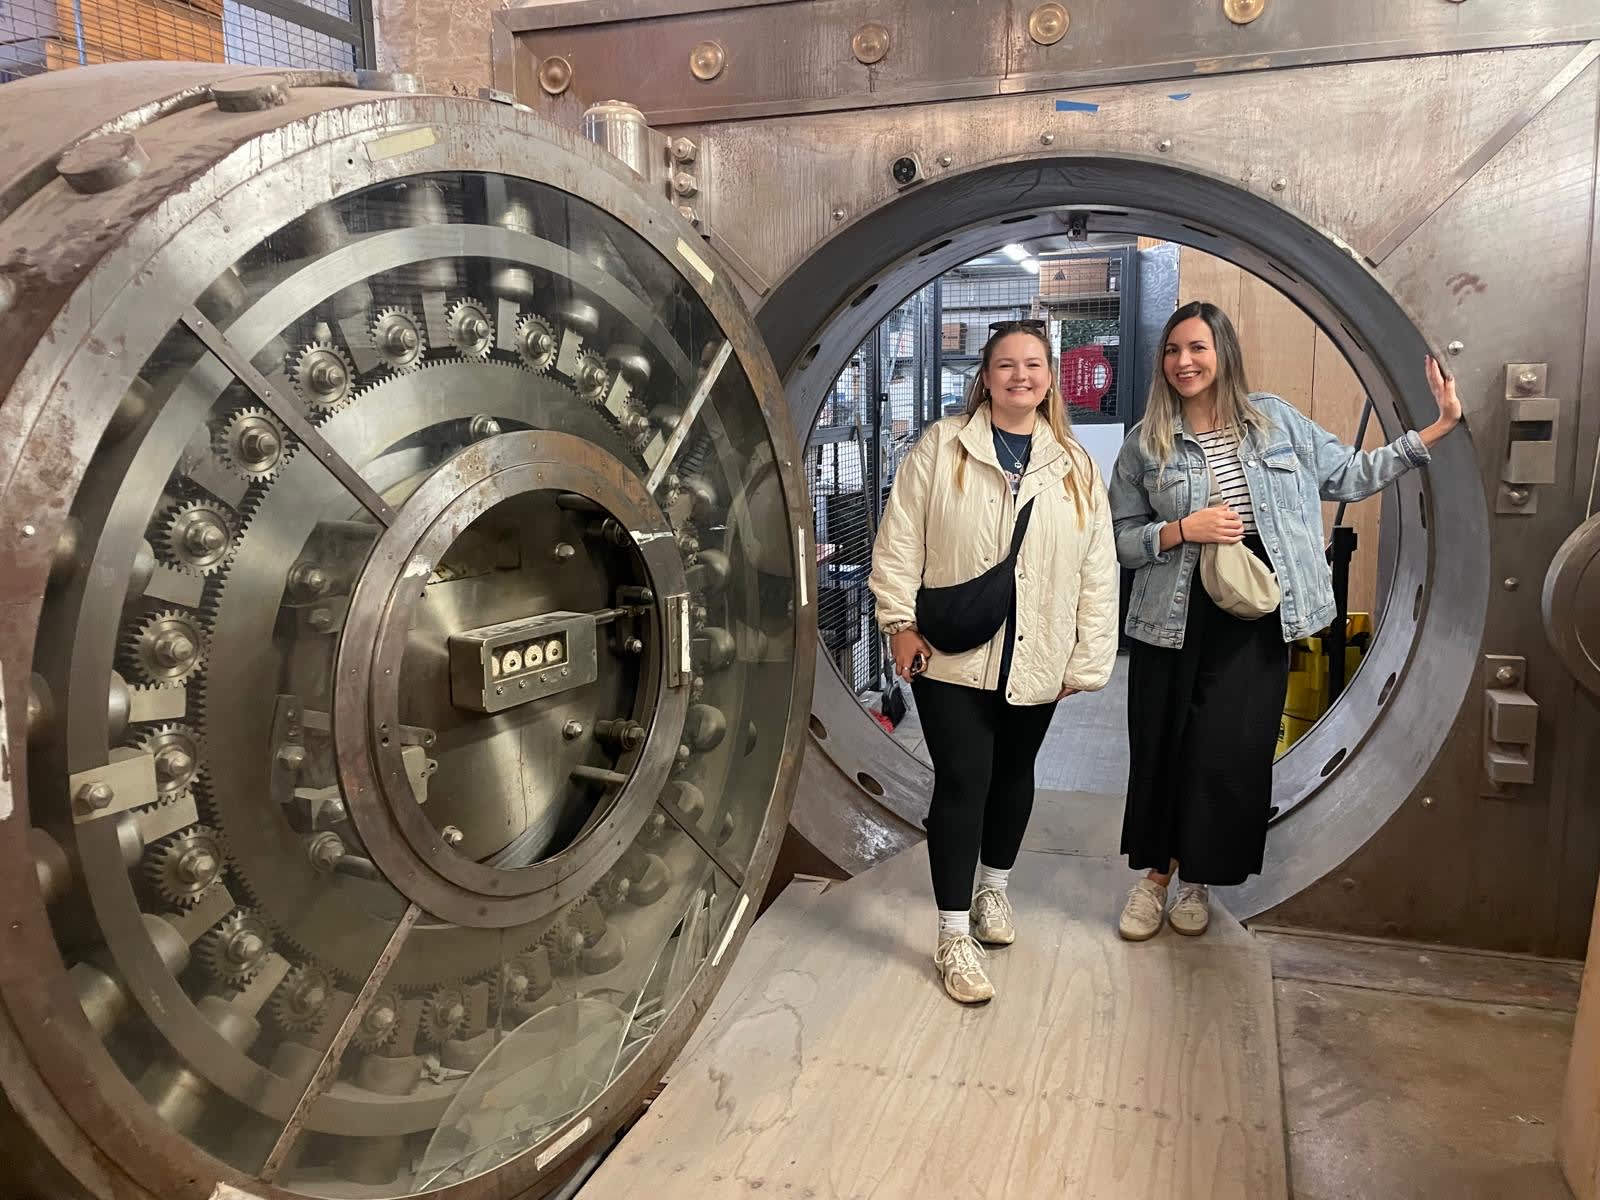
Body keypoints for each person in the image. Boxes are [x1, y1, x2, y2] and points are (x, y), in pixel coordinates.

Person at [1107, 300, 1461, 940]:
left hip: (1255, 618)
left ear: (1223, 353)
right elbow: (1120, 537)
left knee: (1227, 752)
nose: (1184, 362)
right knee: (1163, 749)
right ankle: (1153, 878)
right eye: (1172, 351)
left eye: (1197, 349)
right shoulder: (1145, 443)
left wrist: (1431, 433)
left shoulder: (1274, 422)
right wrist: (1182, 529)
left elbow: (1349, 476)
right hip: (1173, 618)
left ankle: (1198, 881)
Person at [869, 320, 1119, 1004]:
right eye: (1005, 365)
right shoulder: (941, 449)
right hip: (950, 654)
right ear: (985, 376)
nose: (1020, 376)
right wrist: (898, 624)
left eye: (1033, 364)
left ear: (1050, 376)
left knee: (1014, 775)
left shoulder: (1073, 463)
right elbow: (897, 543)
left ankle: (994, 894)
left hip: (1038, 653)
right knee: (963, 781)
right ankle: (953, 933)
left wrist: (1087, 656)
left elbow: (1098, 567)